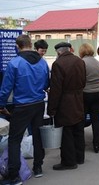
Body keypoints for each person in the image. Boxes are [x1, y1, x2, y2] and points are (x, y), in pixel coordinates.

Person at [0, 35, 49, 183]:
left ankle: (14, 175)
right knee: (37, 135)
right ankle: (38, 167)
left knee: (15, 140)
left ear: (17, 46)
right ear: (31, 44)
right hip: (39, 104)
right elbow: (47, 83)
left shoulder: (15, 63)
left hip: (22, 106)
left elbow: (6, 87)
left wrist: (1, 105)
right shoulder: (43, 62)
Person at [48, 42, 86, 171]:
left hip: (65, 102)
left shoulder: (58, 64)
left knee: (66, 132)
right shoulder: (80, 61)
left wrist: (51, 108)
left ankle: (69, 162)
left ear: (58, 52)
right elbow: (84, 81)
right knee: (78, 130)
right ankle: (80, 157)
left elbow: (56, 89)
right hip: (79, 99)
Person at [79, 43, 99, 154]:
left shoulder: (82, 63)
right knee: (96, 120)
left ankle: (81, 143)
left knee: (82, 118)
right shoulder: (98, 63)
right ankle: (96, 144)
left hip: (86, 93)